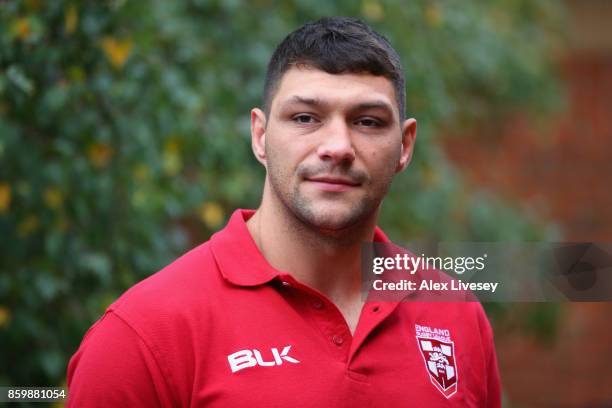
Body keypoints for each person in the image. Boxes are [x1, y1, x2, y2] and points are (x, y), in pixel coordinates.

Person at [67, 16, 501, 407]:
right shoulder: (144, 336)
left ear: (404, 146)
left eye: (367, 121)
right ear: (259, 135)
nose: (338, 147)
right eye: (305, 118)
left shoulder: (455, 313)